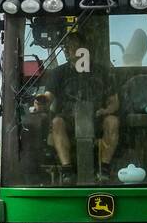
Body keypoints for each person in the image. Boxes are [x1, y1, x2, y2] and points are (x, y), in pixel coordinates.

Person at [37, 33, 120, 183]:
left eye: (75, 46)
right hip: (68, 119)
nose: (71, 50)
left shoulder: (102, 71)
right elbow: (48, 97)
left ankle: (105, 168)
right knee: (57, 122)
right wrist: (41, 101)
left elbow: (114, 102)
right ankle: (66, 170)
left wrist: (105, 111)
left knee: (113, 121)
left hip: (97, 118)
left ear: (86, 49)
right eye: (68, 47)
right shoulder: (59, 73)